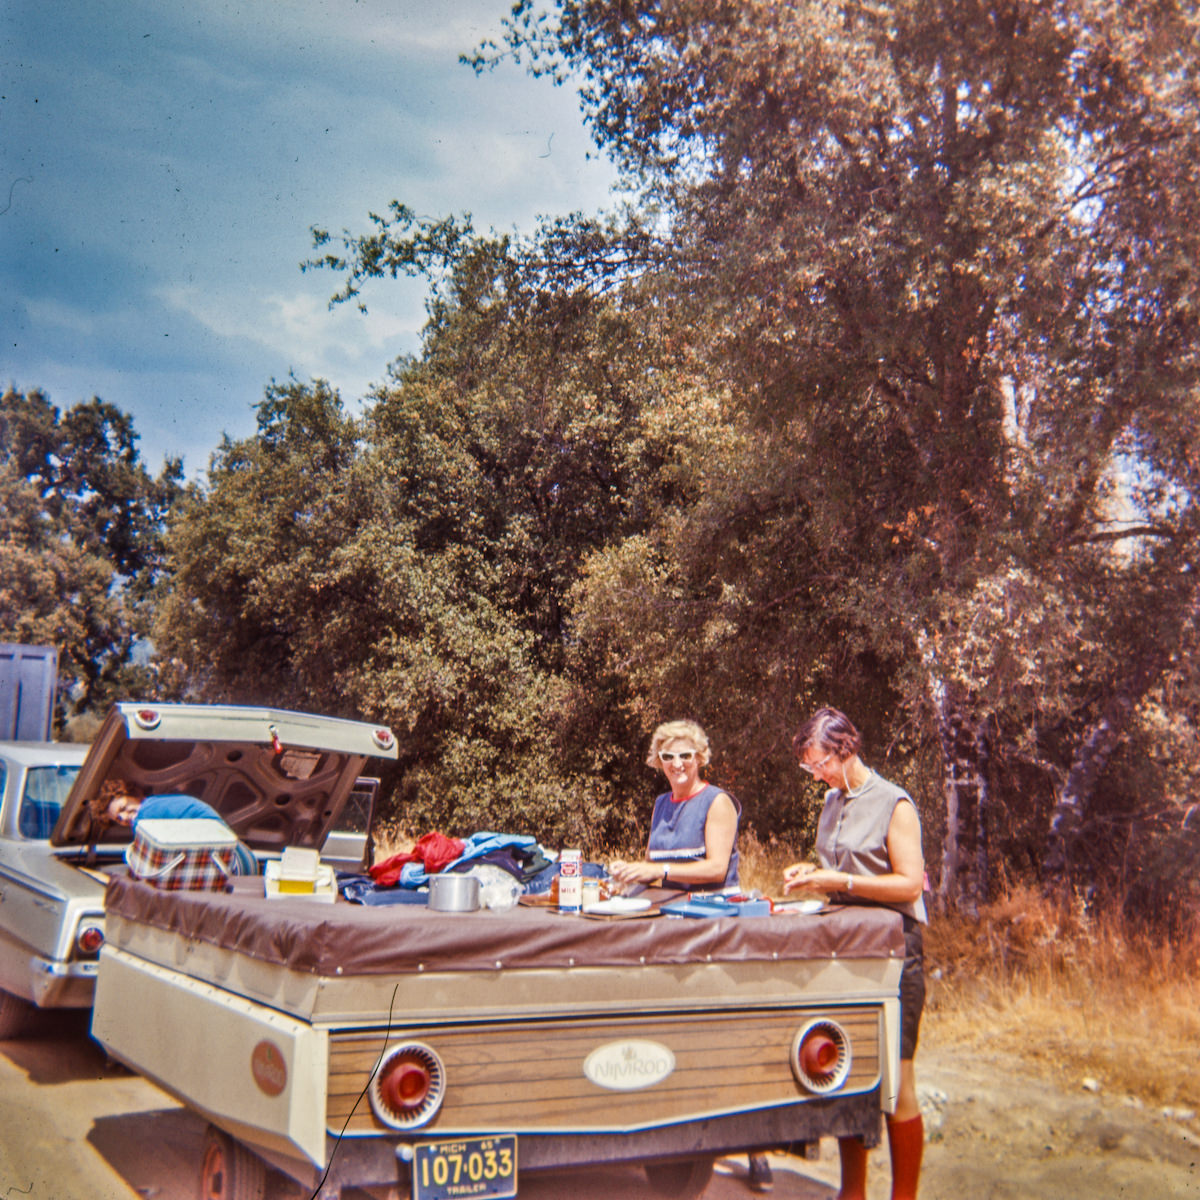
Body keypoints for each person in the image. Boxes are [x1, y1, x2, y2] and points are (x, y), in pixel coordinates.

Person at [608, 720, 773, 1193]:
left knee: (727, 1029)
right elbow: (659, 873)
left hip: (715, 923)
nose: (677, 766)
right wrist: (628, 878)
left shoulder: (717, 801)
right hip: (671, 921)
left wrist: (654, 869)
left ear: (701, 757)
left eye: (686, 756)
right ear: (657, 762)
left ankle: (754, 1145)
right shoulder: (662, 804)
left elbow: (715, 868)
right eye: (668, 757)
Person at [782, 708, 926, 1200]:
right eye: (810, 767)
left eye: (819, 762)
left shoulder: (894, 804)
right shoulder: (832, 800)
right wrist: (813, 873)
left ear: (845, 751)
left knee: (896, 1079)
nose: (816, 773)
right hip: (844, 946)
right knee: (846, 1068)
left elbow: (908, 883)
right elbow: (839, 866)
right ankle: (853, 1193)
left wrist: (837, 880)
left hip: (894, 951)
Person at [91, 778, 259, 875]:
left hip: (228, 863)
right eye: (118, 819)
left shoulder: (146, 815)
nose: (125, 817)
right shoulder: (158, 805)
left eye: (123, 808)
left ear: (132, 795)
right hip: (244, 858)